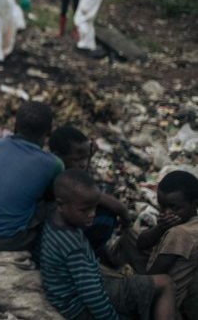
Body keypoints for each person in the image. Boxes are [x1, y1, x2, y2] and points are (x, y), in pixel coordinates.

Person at [40, 170, 176, 320]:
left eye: (94, 208)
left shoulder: (52, 218)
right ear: (60, 204)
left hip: (66, 298)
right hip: (79, 307)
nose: (92, 214)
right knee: (165, 283)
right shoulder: (74, 247)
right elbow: (93, 296)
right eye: (84, 210)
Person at [0, 102, 63, 251]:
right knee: (58, 205)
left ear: (15, 126)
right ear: (49, 131)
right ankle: (50, 256)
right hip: (4, 241)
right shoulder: (53, 164)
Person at [49, 126, 130, 258]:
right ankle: (90, 254)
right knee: (107, 217)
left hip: (57, 229)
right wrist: (126, 220)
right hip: (61, 236)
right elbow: (116, 206)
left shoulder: (56, 169)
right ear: (58, 156)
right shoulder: (63, 180)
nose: (83, 164)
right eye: (77, 159)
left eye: (85, 158)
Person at [135, 170, 198, 318]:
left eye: (174, 207)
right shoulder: (189, 224)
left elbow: (151, 279)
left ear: (195, 204)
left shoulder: (179, 234)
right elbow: (141, 243)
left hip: (162, 301)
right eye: (162, 207)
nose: (166, 213)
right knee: (131, 237)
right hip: (178, 294)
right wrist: (160, 228)